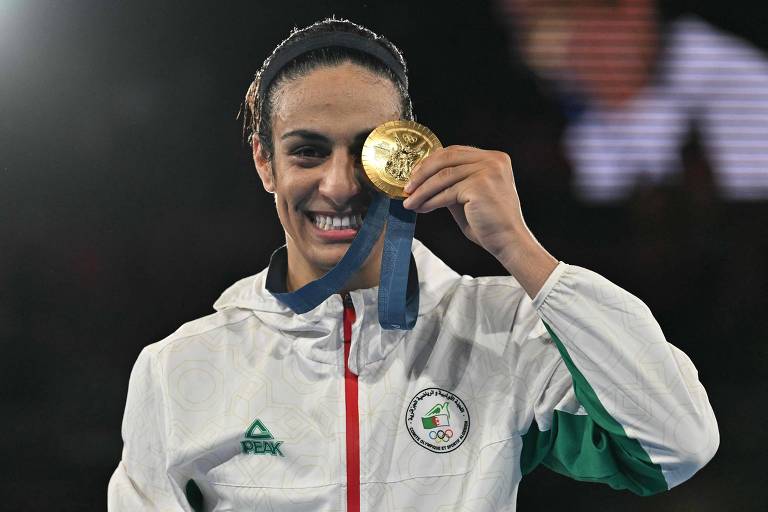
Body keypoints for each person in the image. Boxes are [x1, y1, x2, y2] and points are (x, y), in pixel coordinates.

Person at [108, 18, 718, 511]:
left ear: (403, 157)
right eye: (308, 151)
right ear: (265, 163)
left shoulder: (503, 331)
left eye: (365, 150)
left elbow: (675, 444)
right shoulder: (180, 368)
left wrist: (520, 249)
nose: (340, 185)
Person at [495, 0, 768, 202]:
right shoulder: (588, 134)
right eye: (529, 35)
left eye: (559, 24)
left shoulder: (742, 93)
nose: (556, 59)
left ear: (632, 10)